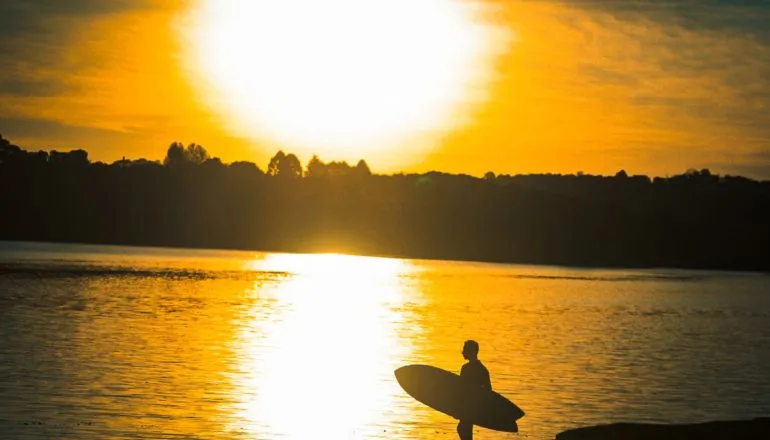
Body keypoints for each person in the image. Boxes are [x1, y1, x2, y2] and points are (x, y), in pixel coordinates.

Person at [457, 340, 493, 440]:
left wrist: (456, 408)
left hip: (467, 405)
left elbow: (461, 389)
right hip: (474, 406)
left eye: (464, 349)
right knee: (464, 428)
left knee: (463, 428)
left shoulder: (466, 368)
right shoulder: (483, 369)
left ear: (470, 351)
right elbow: (489, 390)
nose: (462, 352)